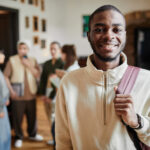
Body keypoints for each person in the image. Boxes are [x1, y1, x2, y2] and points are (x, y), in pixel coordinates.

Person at [55, 5, 150, 150]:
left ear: (125, 35)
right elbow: (63, 141)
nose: (108, 36)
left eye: (116, 30)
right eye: (99, 30)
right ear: (89, 35)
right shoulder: (69, 82)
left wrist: (137, 121)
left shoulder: (147, 80)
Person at [4, 41, 43, 148]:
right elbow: (5, 76)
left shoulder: (33, 60)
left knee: (32, 117)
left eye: (25, 48)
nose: (22, 50)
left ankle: (32, 134)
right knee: (17, 117)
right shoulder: (12, 60)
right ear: (18, 49)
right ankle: (18, 137)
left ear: (28, 49)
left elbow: (37, 74)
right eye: (20, 48)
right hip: (17, 95)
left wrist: (29, 65)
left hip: (31, 94)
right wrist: (11, 91)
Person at [38, 41, 64, 146]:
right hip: (47, 92)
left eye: (55, 49)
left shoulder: (62, 63)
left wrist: (50, 97)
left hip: (56, 93)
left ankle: (58, 140)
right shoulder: (47, 63)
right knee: (49, 116)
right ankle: (53, 138)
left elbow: (58, 83)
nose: (52, 51)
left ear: (59, 50)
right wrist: (42, 94)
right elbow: (43, 79)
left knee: (55, 117)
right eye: (51, 49)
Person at [0, 51, 11, 150]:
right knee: (3, 135)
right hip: (1, 109)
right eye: (1, 53)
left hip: (3, 105)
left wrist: (6, 98)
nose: (3, 55)